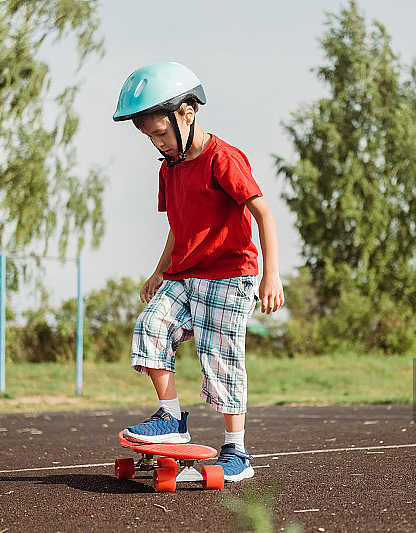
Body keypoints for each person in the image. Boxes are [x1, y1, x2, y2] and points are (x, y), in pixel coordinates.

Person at [112, 62, 284, 482]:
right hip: (184, 274)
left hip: (229, 274)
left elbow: (263, 213)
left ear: (188, 113)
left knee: (221, 358)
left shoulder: (222, 159)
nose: (158, 143)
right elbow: (178, 223)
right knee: (150, 326)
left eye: (161, 133)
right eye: (149, 136)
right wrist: (158, 271)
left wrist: (271, 274)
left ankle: (236, 453)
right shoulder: (168, 169)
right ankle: (171, 417)